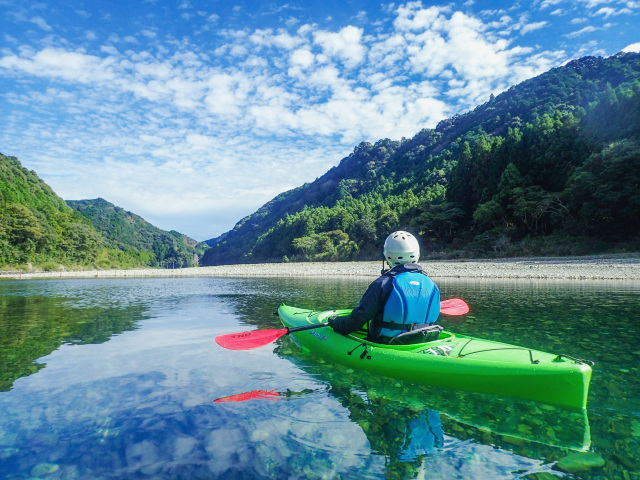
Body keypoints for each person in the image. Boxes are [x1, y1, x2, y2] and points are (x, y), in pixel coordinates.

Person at [328, 231, 441, 343]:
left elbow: (355, 322)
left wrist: (336, 322)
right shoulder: (432, 284)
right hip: (423, 340)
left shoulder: (383, 284)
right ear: (417, 254)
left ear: (388, 256)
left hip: (388, 343)